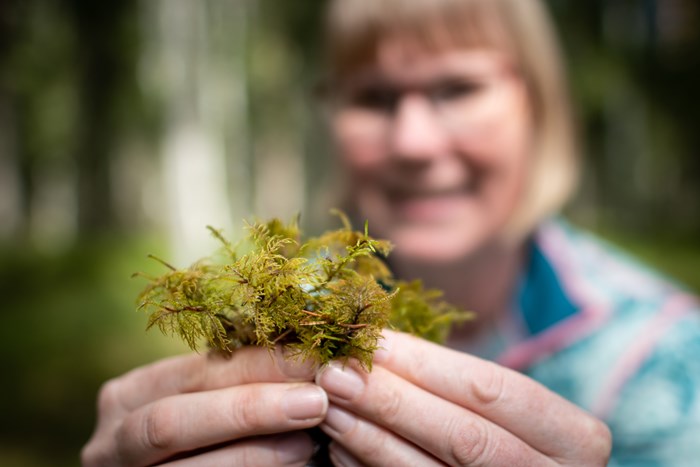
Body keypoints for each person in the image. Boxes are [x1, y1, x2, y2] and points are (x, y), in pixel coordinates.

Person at [82, 0, 700, 465]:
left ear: (539, 103)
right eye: (374, 98)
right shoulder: (284, 321)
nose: (414, 143)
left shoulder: (666, 360)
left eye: (457, 88)